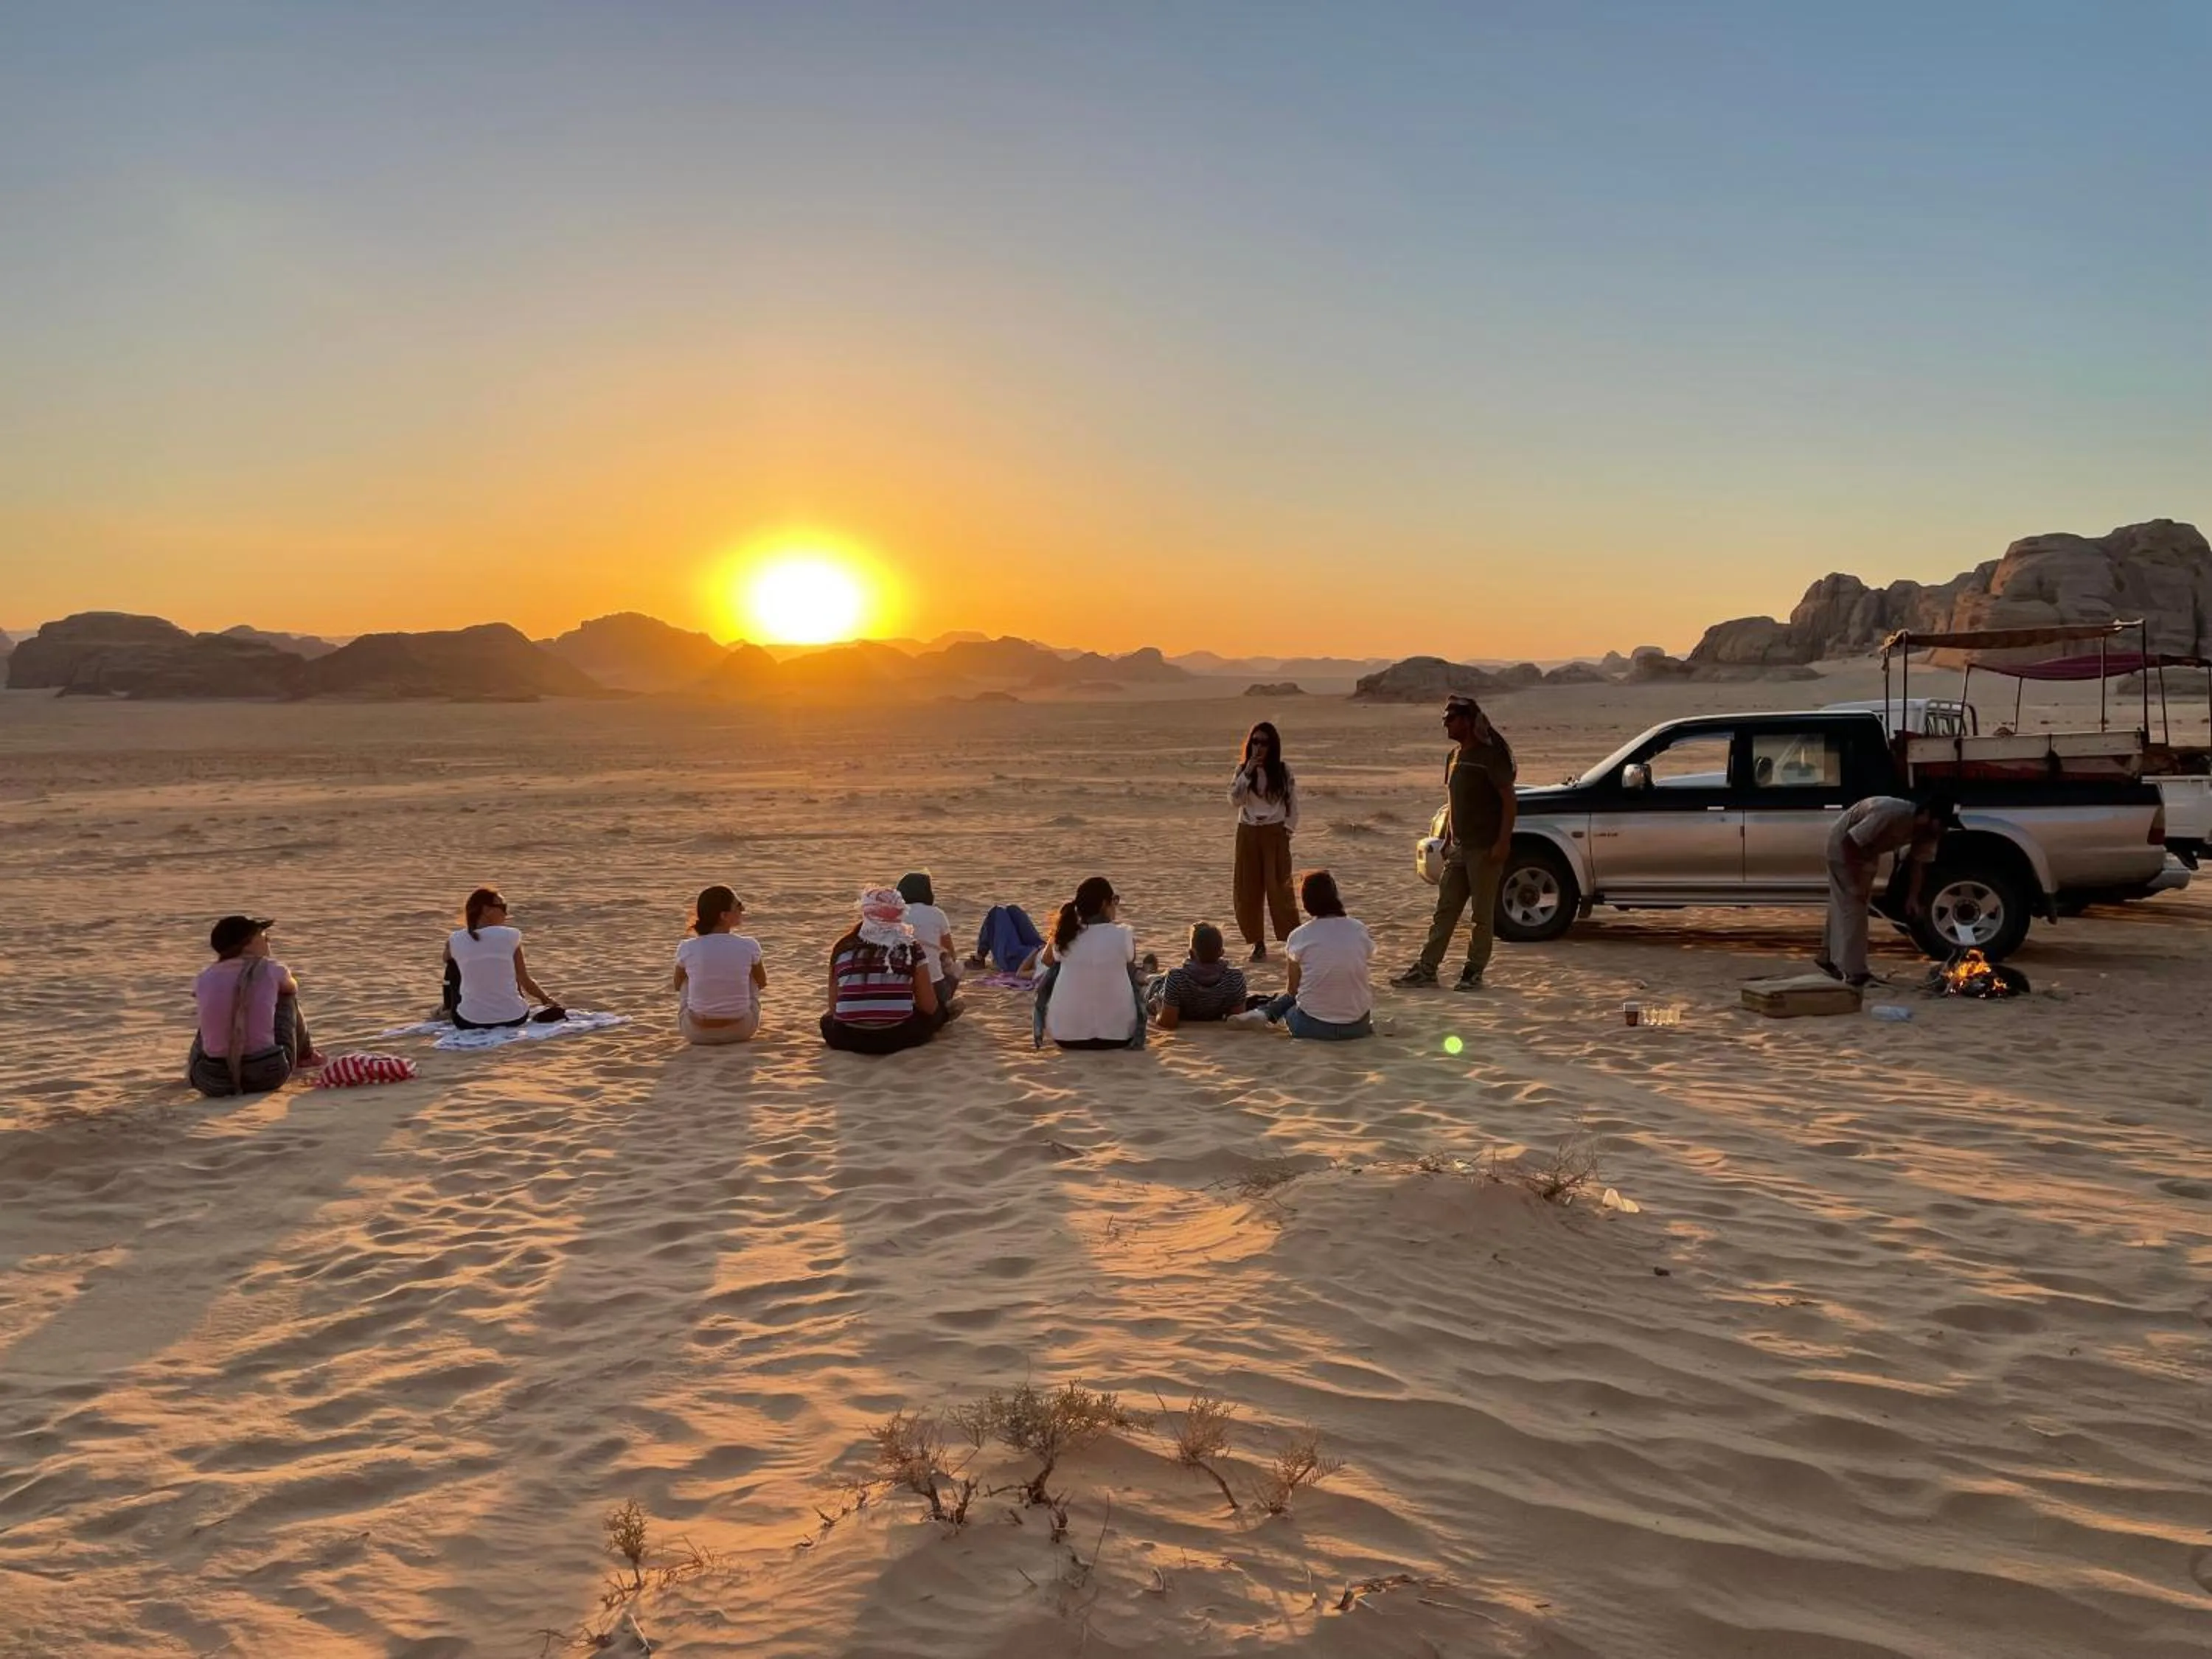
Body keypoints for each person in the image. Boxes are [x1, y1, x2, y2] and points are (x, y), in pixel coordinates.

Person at [1394, 696, 1517, 992]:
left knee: (1482, 915)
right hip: (1460, 848)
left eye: (1451, 718)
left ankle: (1473, 971)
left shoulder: (1490, 756)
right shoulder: (1454, 756)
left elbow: (1509, 800)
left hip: (1485, 847)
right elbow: (1453, 799)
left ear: (1467, 721)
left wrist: (1503, 842)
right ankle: (1427, 968)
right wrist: (1449, 837)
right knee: (1446, 910)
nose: (1445, 723)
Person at [1818, 792, 1958, 986]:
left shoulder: (1929, 834)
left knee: (1847, 903)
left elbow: (1918, 865)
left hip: (1868, 851)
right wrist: (1853, 881)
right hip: (1844, 846)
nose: (1944, 830)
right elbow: (1849, 842)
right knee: (1854, 907)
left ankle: (1827, 957)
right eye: (1942, 824)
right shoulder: (1890, 812)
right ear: (1926, 815)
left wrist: (1913, 899)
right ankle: (1854, 972)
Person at [188, 915, 323, 1096]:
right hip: (269, 1073)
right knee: (286, 997)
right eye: (264, 937)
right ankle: (307, 1056)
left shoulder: (204, 977)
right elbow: (292, 987)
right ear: (248, 944)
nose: (269, 941)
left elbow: (196, 994)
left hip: (211, 1080)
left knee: (216, 1010)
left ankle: (201, 1067)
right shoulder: (271, 969)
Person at [1237, 871, 1375, 1039]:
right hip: (1358, 1026)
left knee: (1291, 1005)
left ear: (1306, 902)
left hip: (1313, 1026)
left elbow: (1293, 989)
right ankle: (1264, 1013)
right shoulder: (1358, 929)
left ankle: (1264, 1014)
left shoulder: (1299, 935)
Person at [821, 887, 945, 1054]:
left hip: (846, 1038)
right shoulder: (911, 948)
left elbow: (834, 1008)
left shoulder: (842, 948)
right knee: (937, 1014)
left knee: (825, 1021)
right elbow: (929, 1007)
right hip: (898, 1037)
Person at [1039, 876, 1144, 1049]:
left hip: (1065, 1036)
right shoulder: (1123, 934)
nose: (1115, 907)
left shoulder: (1065, 937)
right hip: (1118, 1036)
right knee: (1129, 971)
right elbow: (1129, 964)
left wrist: (1058, 931)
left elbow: (1047, 960)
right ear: (1104, 904)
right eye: (1114, 901)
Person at [443, 887, 564, 1028]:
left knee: (453, 965)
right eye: (502, 907)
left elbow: (446, 959)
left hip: (469, 1021)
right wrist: (545, 999)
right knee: (508, 965)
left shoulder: (455, 939)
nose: (506, 913)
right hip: (514, 1017)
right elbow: (524, 980)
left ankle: (448, 1008)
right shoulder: (511, 936)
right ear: (486, 910)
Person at [1229, 721, 1299, 961]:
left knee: (1280, 888)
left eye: (1264, 743)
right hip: (1248, 831)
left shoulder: (1282, 771)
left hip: (1275, 832)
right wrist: (1247, 772)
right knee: (1248, 888)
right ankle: (1257, 944)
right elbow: (1234, 800)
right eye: (1255, 742)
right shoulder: (1242, 771)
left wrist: (1287, 831)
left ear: (1273, 746)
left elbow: (1293, 804)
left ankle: (1292, 941)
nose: (1259, 747)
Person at [673, 884, 767, 1046]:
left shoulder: (687, 947)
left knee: (687, 976)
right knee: (751, 972)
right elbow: (762, 983)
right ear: (723, 915)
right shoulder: (749, 945)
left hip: (697, 1034)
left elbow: (677, 985)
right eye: (738, 906)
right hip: (742, 1030)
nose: (743, 909)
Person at [1149, 922, 1250, 1029]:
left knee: (1154, 982)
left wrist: (1157, 1004)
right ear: (1222, 952)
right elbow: (1236, 1018)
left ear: (1191, 954)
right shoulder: (1234, 978)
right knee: (1162, 977)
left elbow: (1168, 1023)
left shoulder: (1177, 977)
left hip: (1158, 990)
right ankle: (1147, 974)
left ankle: (1144, 974)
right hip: (1176, 982)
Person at [897, 872, 961, 1016]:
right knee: (957, 967)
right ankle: (945, 1003)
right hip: (933, 987)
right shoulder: (936, 914)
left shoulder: (895, 914)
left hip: (900, 985)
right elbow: (951, 951)